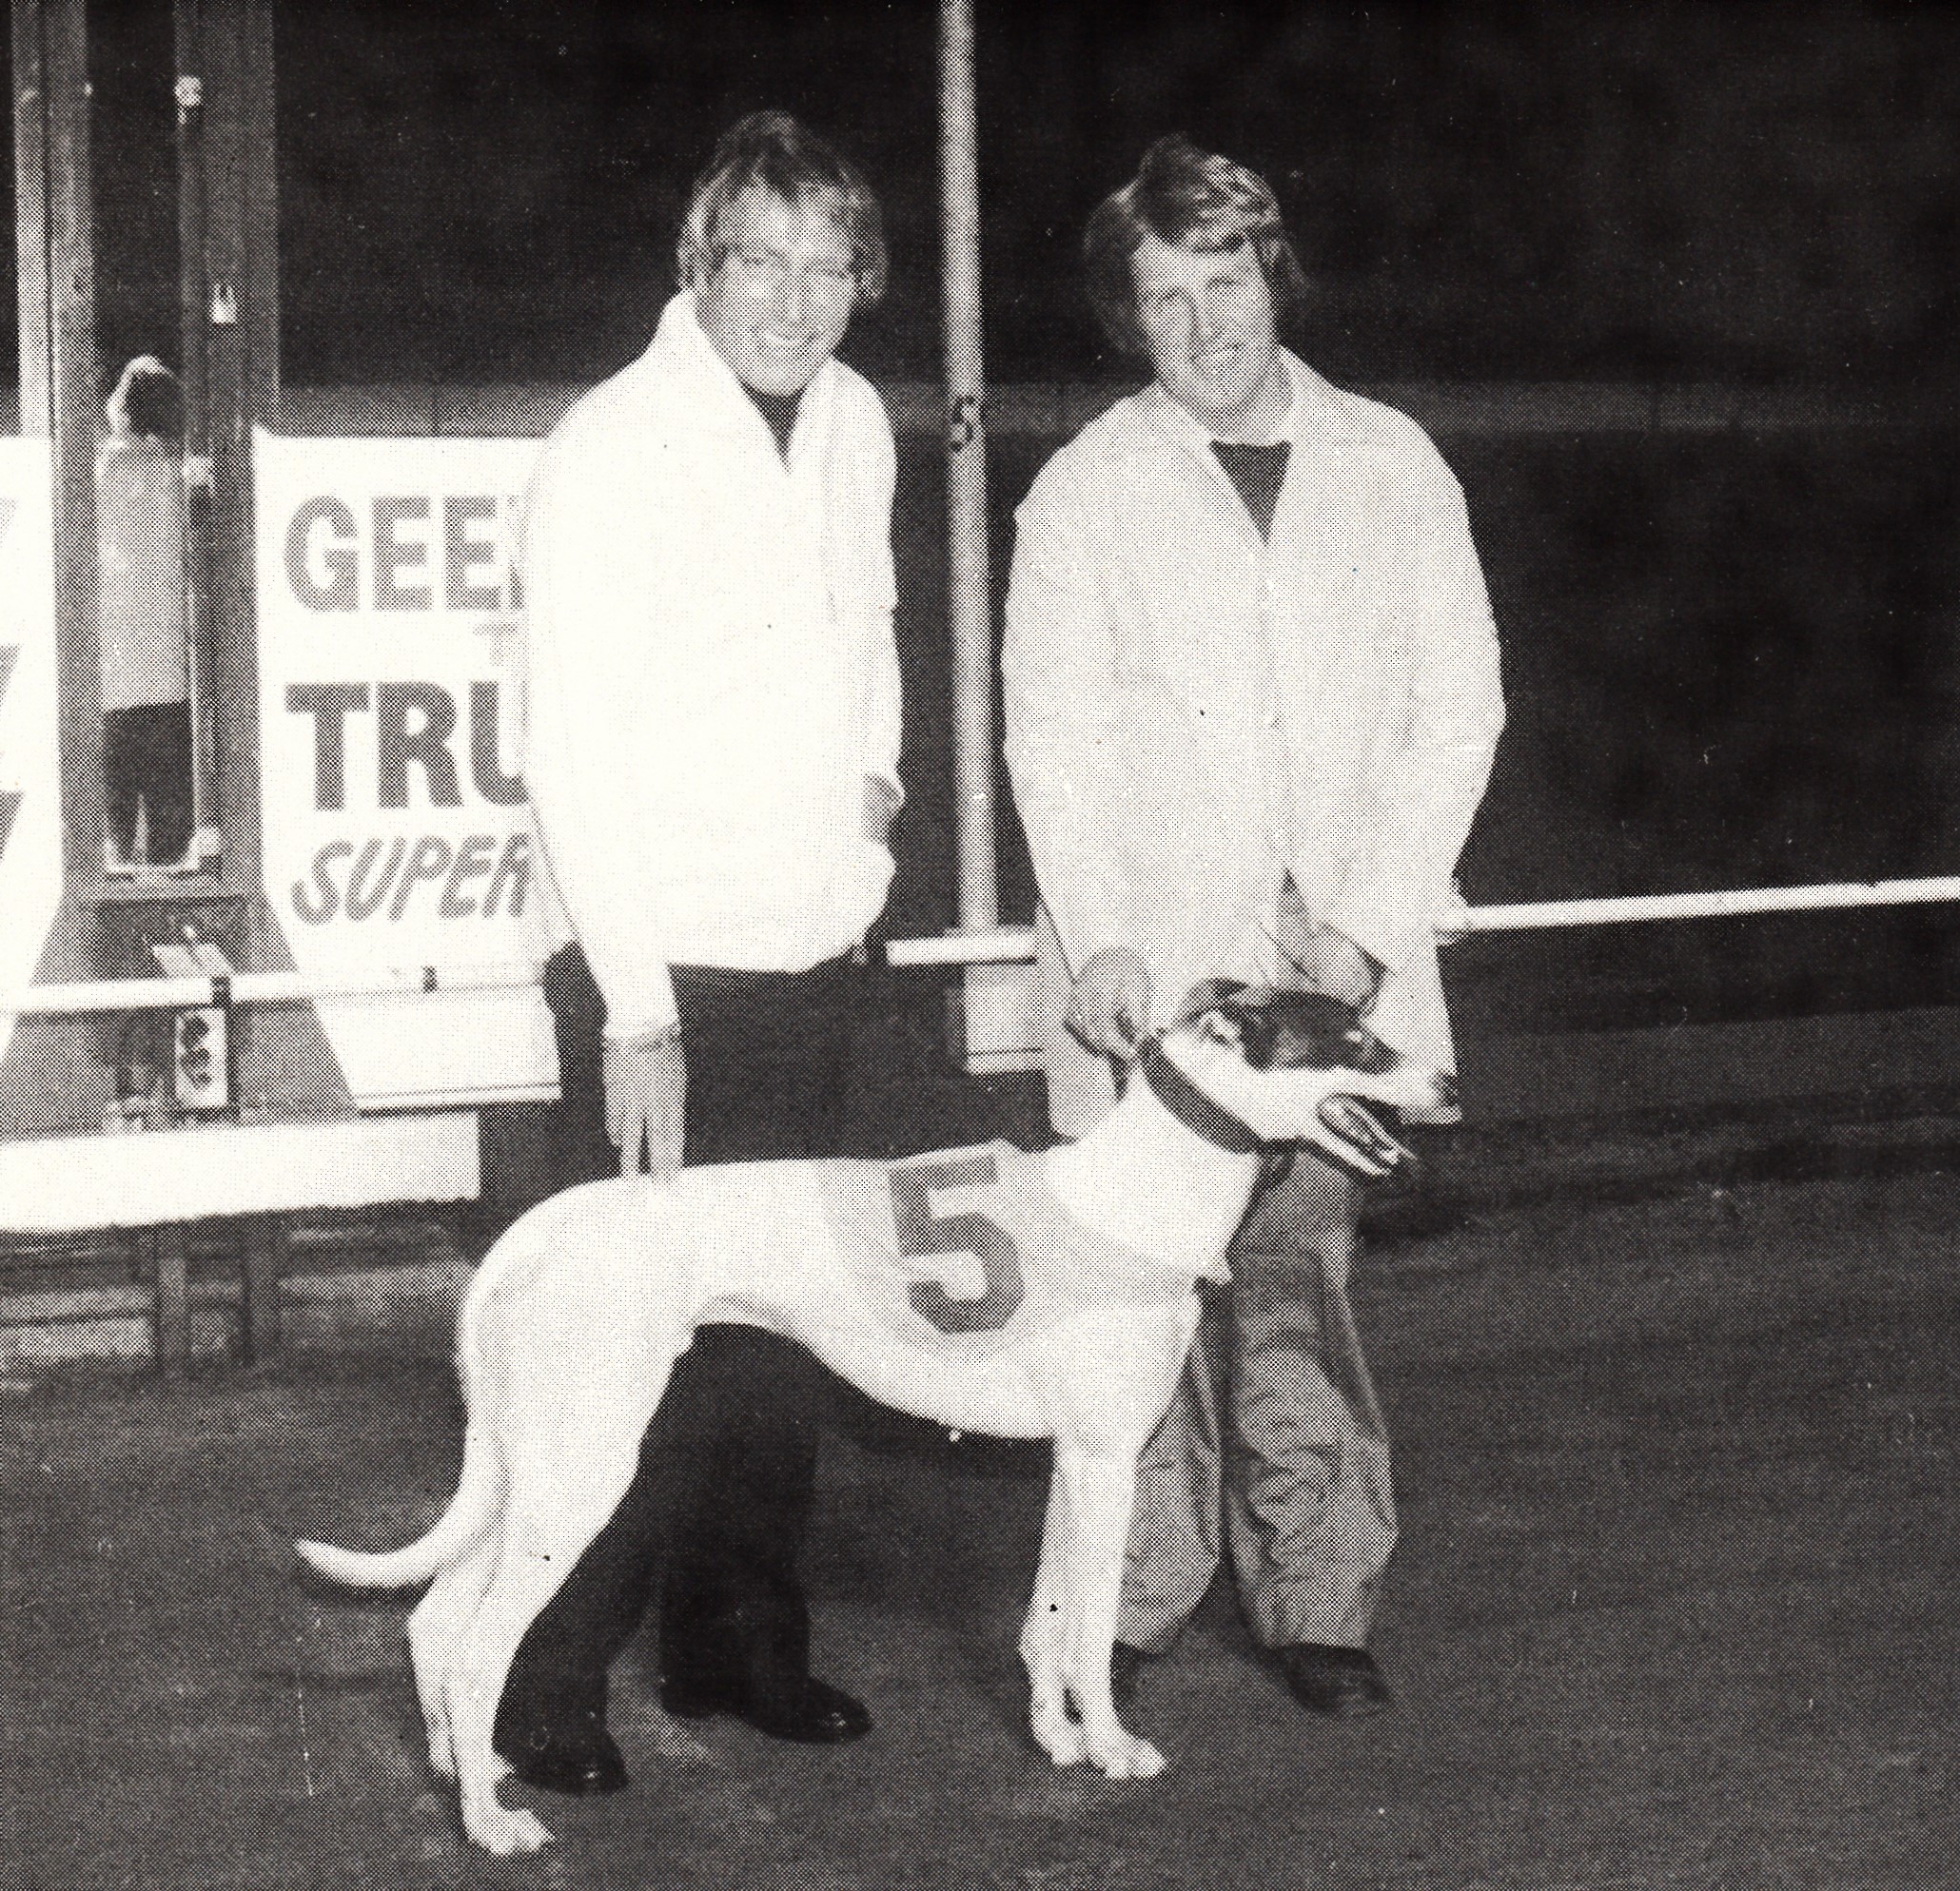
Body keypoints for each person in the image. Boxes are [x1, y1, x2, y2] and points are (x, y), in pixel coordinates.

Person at [1003, 136, 1504, 1721]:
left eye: (1226, 283)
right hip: (1147, 986)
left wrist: (1365, 931)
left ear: (1272, 276)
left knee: (1299, 1278)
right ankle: (1132, 1596)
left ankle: (1318, 1597)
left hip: (1334, 969)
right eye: (1164, 298)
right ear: (1129, 318)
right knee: (1133, 1297)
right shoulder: (1082, 490)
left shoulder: (1397, 463)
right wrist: (1104, 941)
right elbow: (1049, 738)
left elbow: (1458, 717)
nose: (1204, 325)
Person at [499, 112, 903, 1796]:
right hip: (662, 984)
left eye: (831, 268)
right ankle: (541, 1683)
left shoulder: (858, 422)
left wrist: (876, 799)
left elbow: (873, 639)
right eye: (764, 261)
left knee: (776, 1346)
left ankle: (739, 1648)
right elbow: (569, 750)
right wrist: (638, 1015)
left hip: (815, 962)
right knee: (623, 1355)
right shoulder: (610, 445)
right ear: (700, 263)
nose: (797, 300)